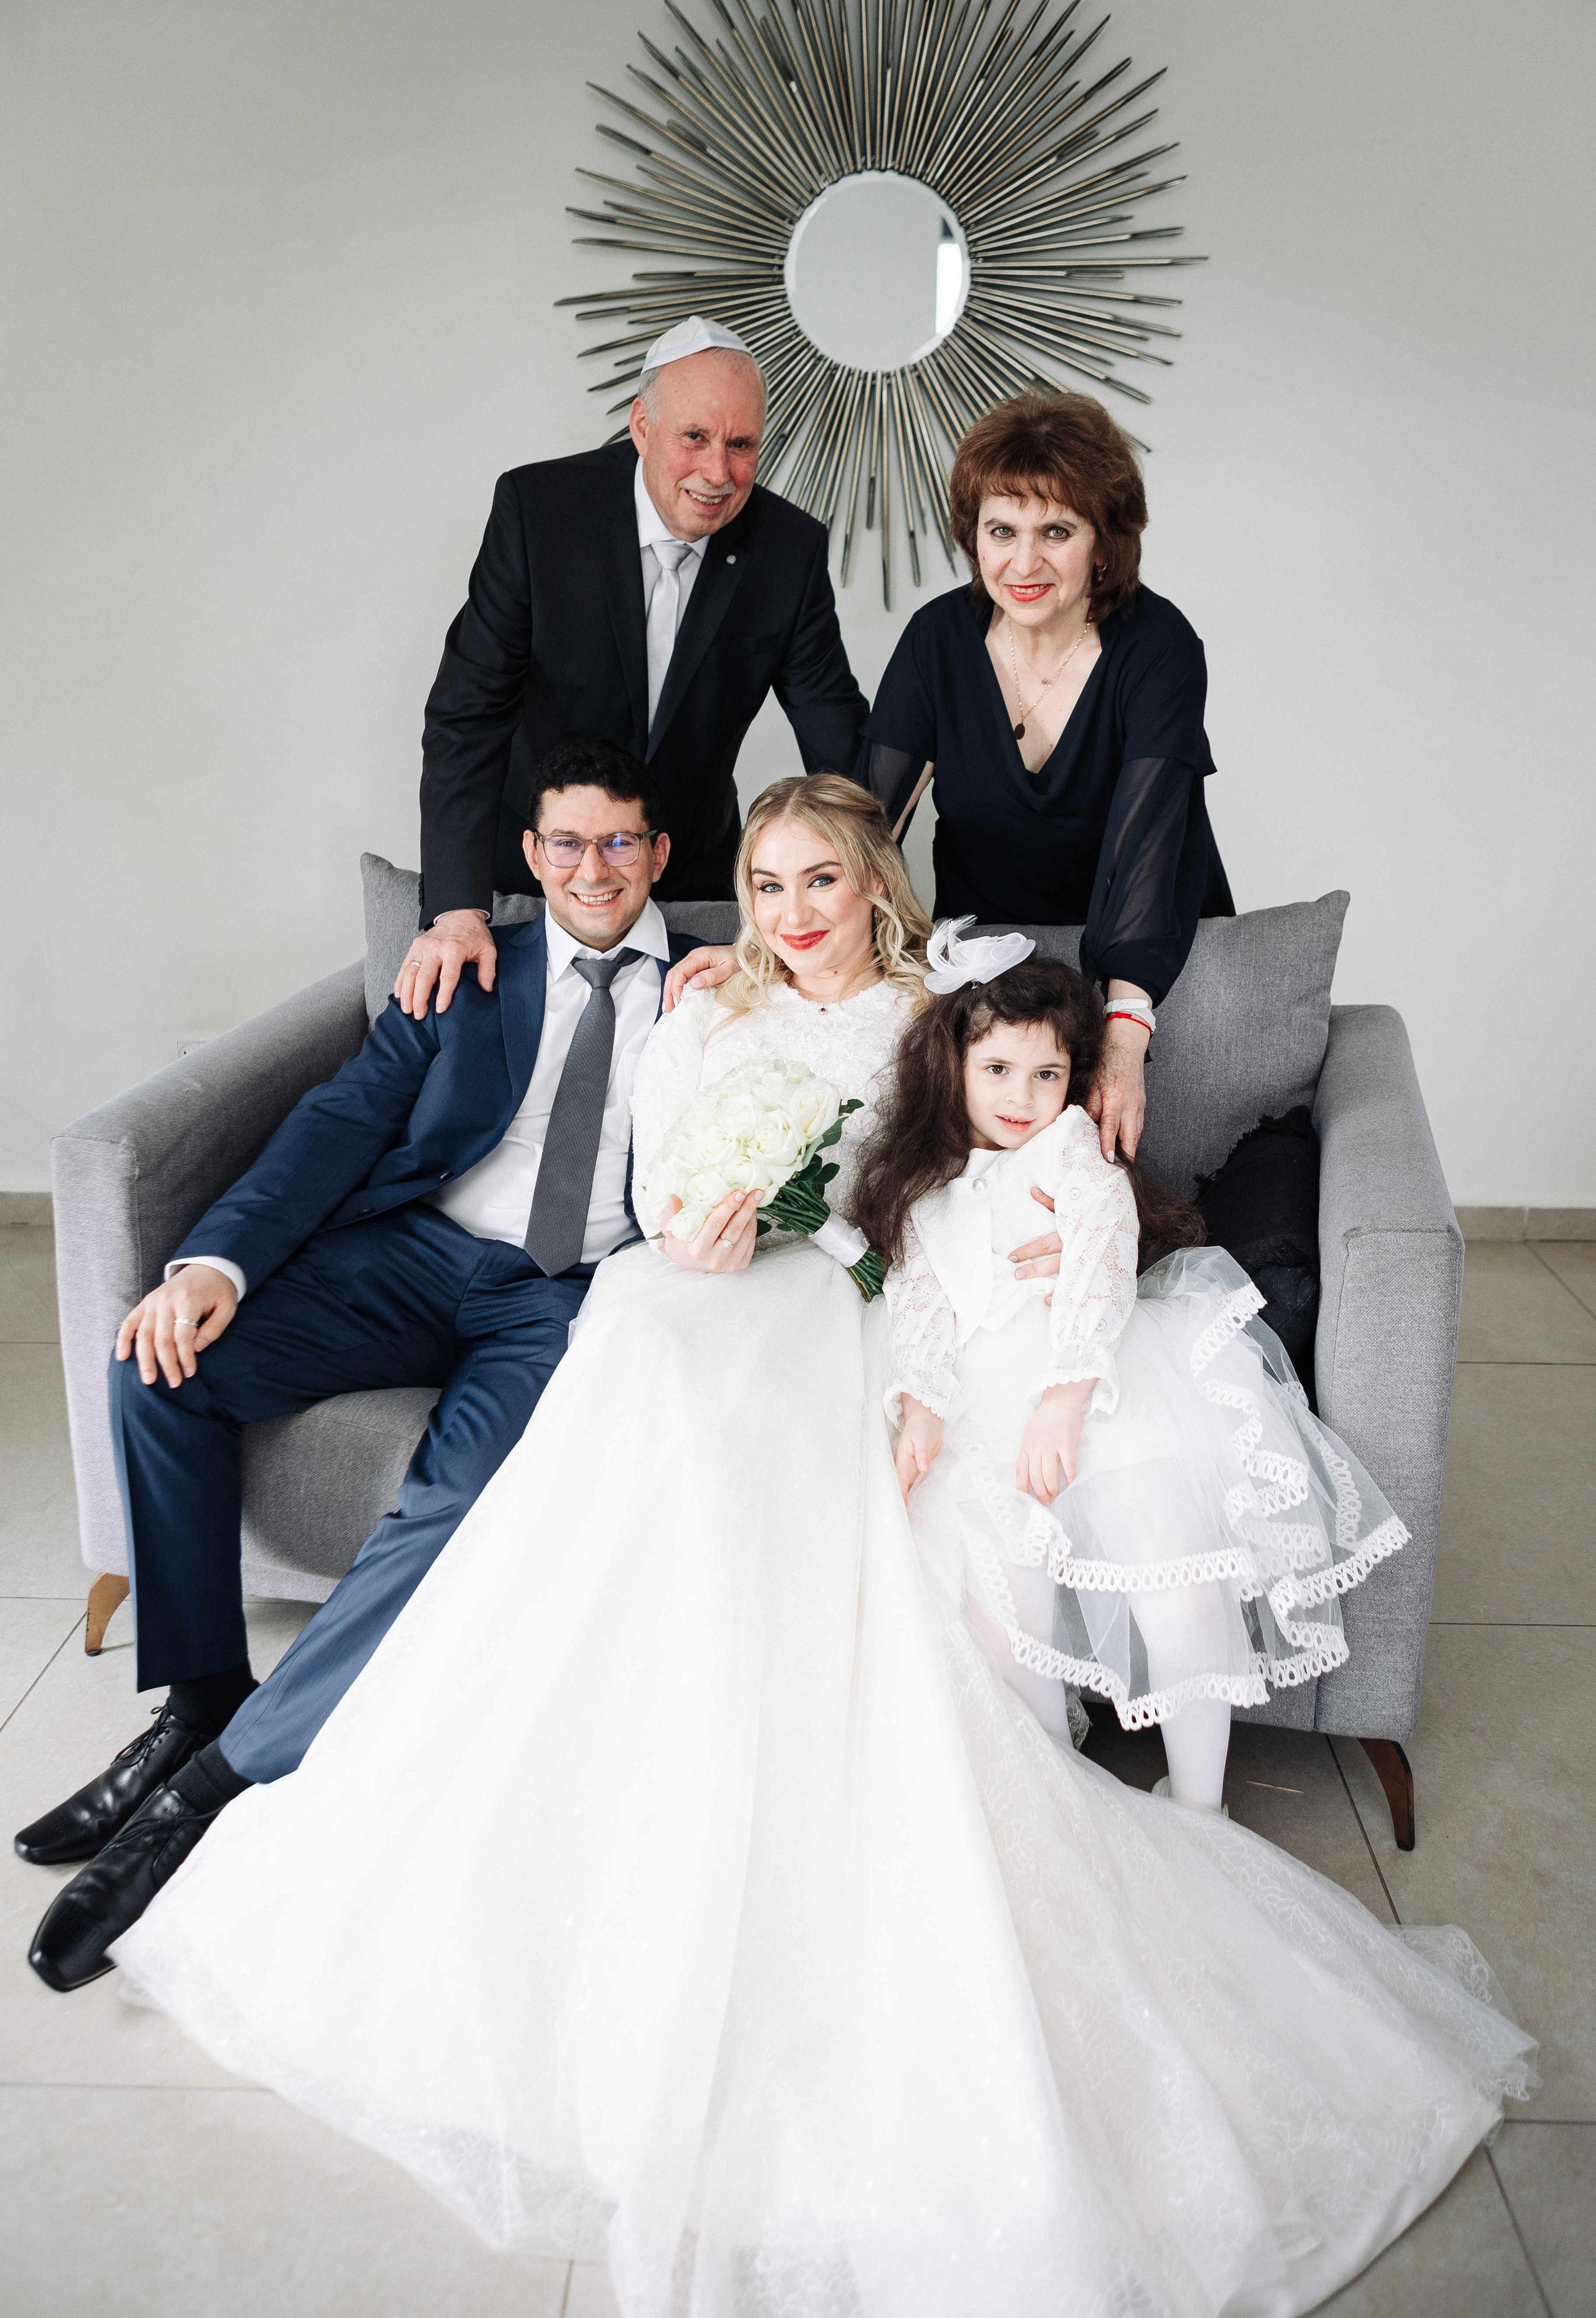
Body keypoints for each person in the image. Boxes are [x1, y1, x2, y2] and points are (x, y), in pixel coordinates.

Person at [103, 790, 1530, 2318]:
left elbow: (970, 1160)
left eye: (821, 881)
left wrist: (1009, 1220)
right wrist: (694, 1225)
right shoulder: (701, 1006)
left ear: (874, 885)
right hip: (681, 1288)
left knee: (734, 1393)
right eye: (765, 882)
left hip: (835, 1306)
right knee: (641, 1353)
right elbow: (654, 1188)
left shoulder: (935, 1006)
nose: (790, 911)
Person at [22, 740, 706, 1991]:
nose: (592, 867)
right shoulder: (470, 971)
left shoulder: (715, 988)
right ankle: (197, 1701)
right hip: (418, 1253)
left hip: (564, 1299)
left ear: (660, 854)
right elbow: (340, 1118)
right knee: (160, 1370)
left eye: (620, 842)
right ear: (528, 854)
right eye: (566, 842)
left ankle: (212, 1798)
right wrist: (213, 1266)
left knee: (453, 1502)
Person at [849, 924, 1412, 1813]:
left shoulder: (1071, 1148)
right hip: (978, 1398)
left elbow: (1107, 1263)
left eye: (1047, 1074)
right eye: (996, 1071)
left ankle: (1200, 1803)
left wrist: (1066, 1398)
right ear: (952, 1067)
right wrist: (919, 1406)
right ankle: (1054, 1791)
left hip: (1103, 1381)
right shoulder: (928, 1183)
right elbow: (920, 1302)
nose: (1023, 1098)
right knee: (999, 1606)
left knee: (1177, 1584)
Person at [400, 314, 868, 1020]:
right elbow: (468, 714)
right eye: (696, 438)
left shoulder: (787, 549)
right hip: (542, 870)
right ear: (642, 427)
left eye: (741, 445)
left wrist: (871, 889)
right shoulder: (539, 512)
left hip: (689, 877)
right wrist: (458, 909)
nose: (719, 473)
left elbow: (837, 739)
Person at [859, 388, 1236, 1164]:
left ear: (1103, 544)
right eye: (1002, 531)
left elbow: (1151, 836)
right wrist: (764, 937)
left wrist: (1124, 1038)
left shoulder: (1158, 647)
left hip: (1146, 952)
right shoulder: (938, 639)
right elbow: (864, 825)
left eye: (1055, 531)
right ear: (973, 536)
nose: (1022, 563)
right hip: (991, 957)